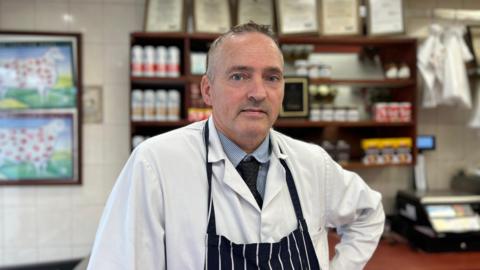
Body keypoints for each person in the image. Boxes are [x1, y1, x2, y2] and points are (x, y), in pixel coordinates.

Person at [88, 22, 385, 270]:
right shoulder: (156, 163)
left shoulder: (311, 162)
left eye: (272, 77)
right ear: (207, 90)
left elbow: (369, 214)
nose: (258, 92)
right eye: (239, 76)